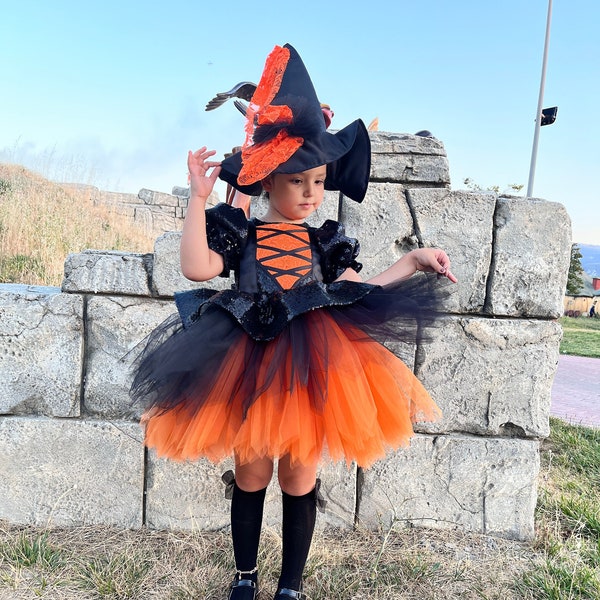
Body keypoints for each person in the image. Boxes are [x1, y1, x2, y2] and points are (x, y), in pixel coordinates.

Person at [131, 44, 457, 600]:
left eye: (318, 182)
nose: (310, 194)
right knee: (253, 473)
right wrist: (197, 200)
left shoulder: (324, 243)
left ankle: (291, 585)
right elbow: (195, 267)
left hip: (311, 364)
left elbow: (354, 293)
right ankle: (245, 576)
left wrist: (411, 262)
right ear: (268, 183)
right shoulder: (242, 233)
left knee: (299, 475)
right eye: (297, 182)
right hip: (247, 361)